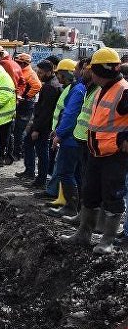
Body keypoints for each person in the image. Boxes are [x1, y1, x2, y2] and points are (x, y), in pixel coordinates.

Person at [66, 48, 128, 254]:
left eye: (93, 69)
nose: (90, 73)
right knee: (90, 193)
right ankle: (84, 234)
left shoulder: (123, 90)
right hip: (95, 152)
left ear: (103, 70)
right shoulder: (102, 89)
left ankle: (107, 240)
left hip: (115, 155)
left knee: (113, 196)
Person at [44, 59, 88, 214]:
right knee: (75, 173)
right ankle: (77, 207)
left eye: (77, 69)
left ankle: (71, 207)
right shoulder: (81, 88)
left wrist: (60, 133)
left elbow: (70, 114)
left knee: (65, 172)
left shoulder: (77, 89)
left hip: (71, 138)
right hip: (77, 137)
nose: (76, 71)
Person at [17, 60, 61, 188]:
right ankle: (30, 171)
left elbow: (46, 111)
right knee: (29, 143)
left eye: (41, 72)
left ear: (49, 71)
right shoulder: (51, 84)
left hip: (43, 125)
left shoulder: (50, 87)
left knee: (42, 152)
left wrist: (36, 129)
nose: (38, 74)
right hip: (42, 123)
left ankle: (40, 179)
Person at [0, 46, 26, 165]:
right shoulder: (14, 64)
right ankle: (8, 156)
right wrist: (18, 94)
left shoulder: (2, 65)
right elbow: (22, 82)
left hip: (4, 102)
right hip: (12, 102)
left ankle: (1, 157)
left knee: (2, 132)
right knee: (8, 131)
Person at [12, 52, 42, 161]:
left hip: (25, 105)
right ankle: (17, 151)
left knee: (19, 130)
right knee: (16, 129)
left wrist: (27, 96)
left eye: (19, 62)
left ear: (25, 63)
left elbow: (37, 86)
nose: (17, 63)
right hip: (21, 103)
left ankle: (18, 152)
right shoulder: (22, 71)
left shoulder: (29, 73)